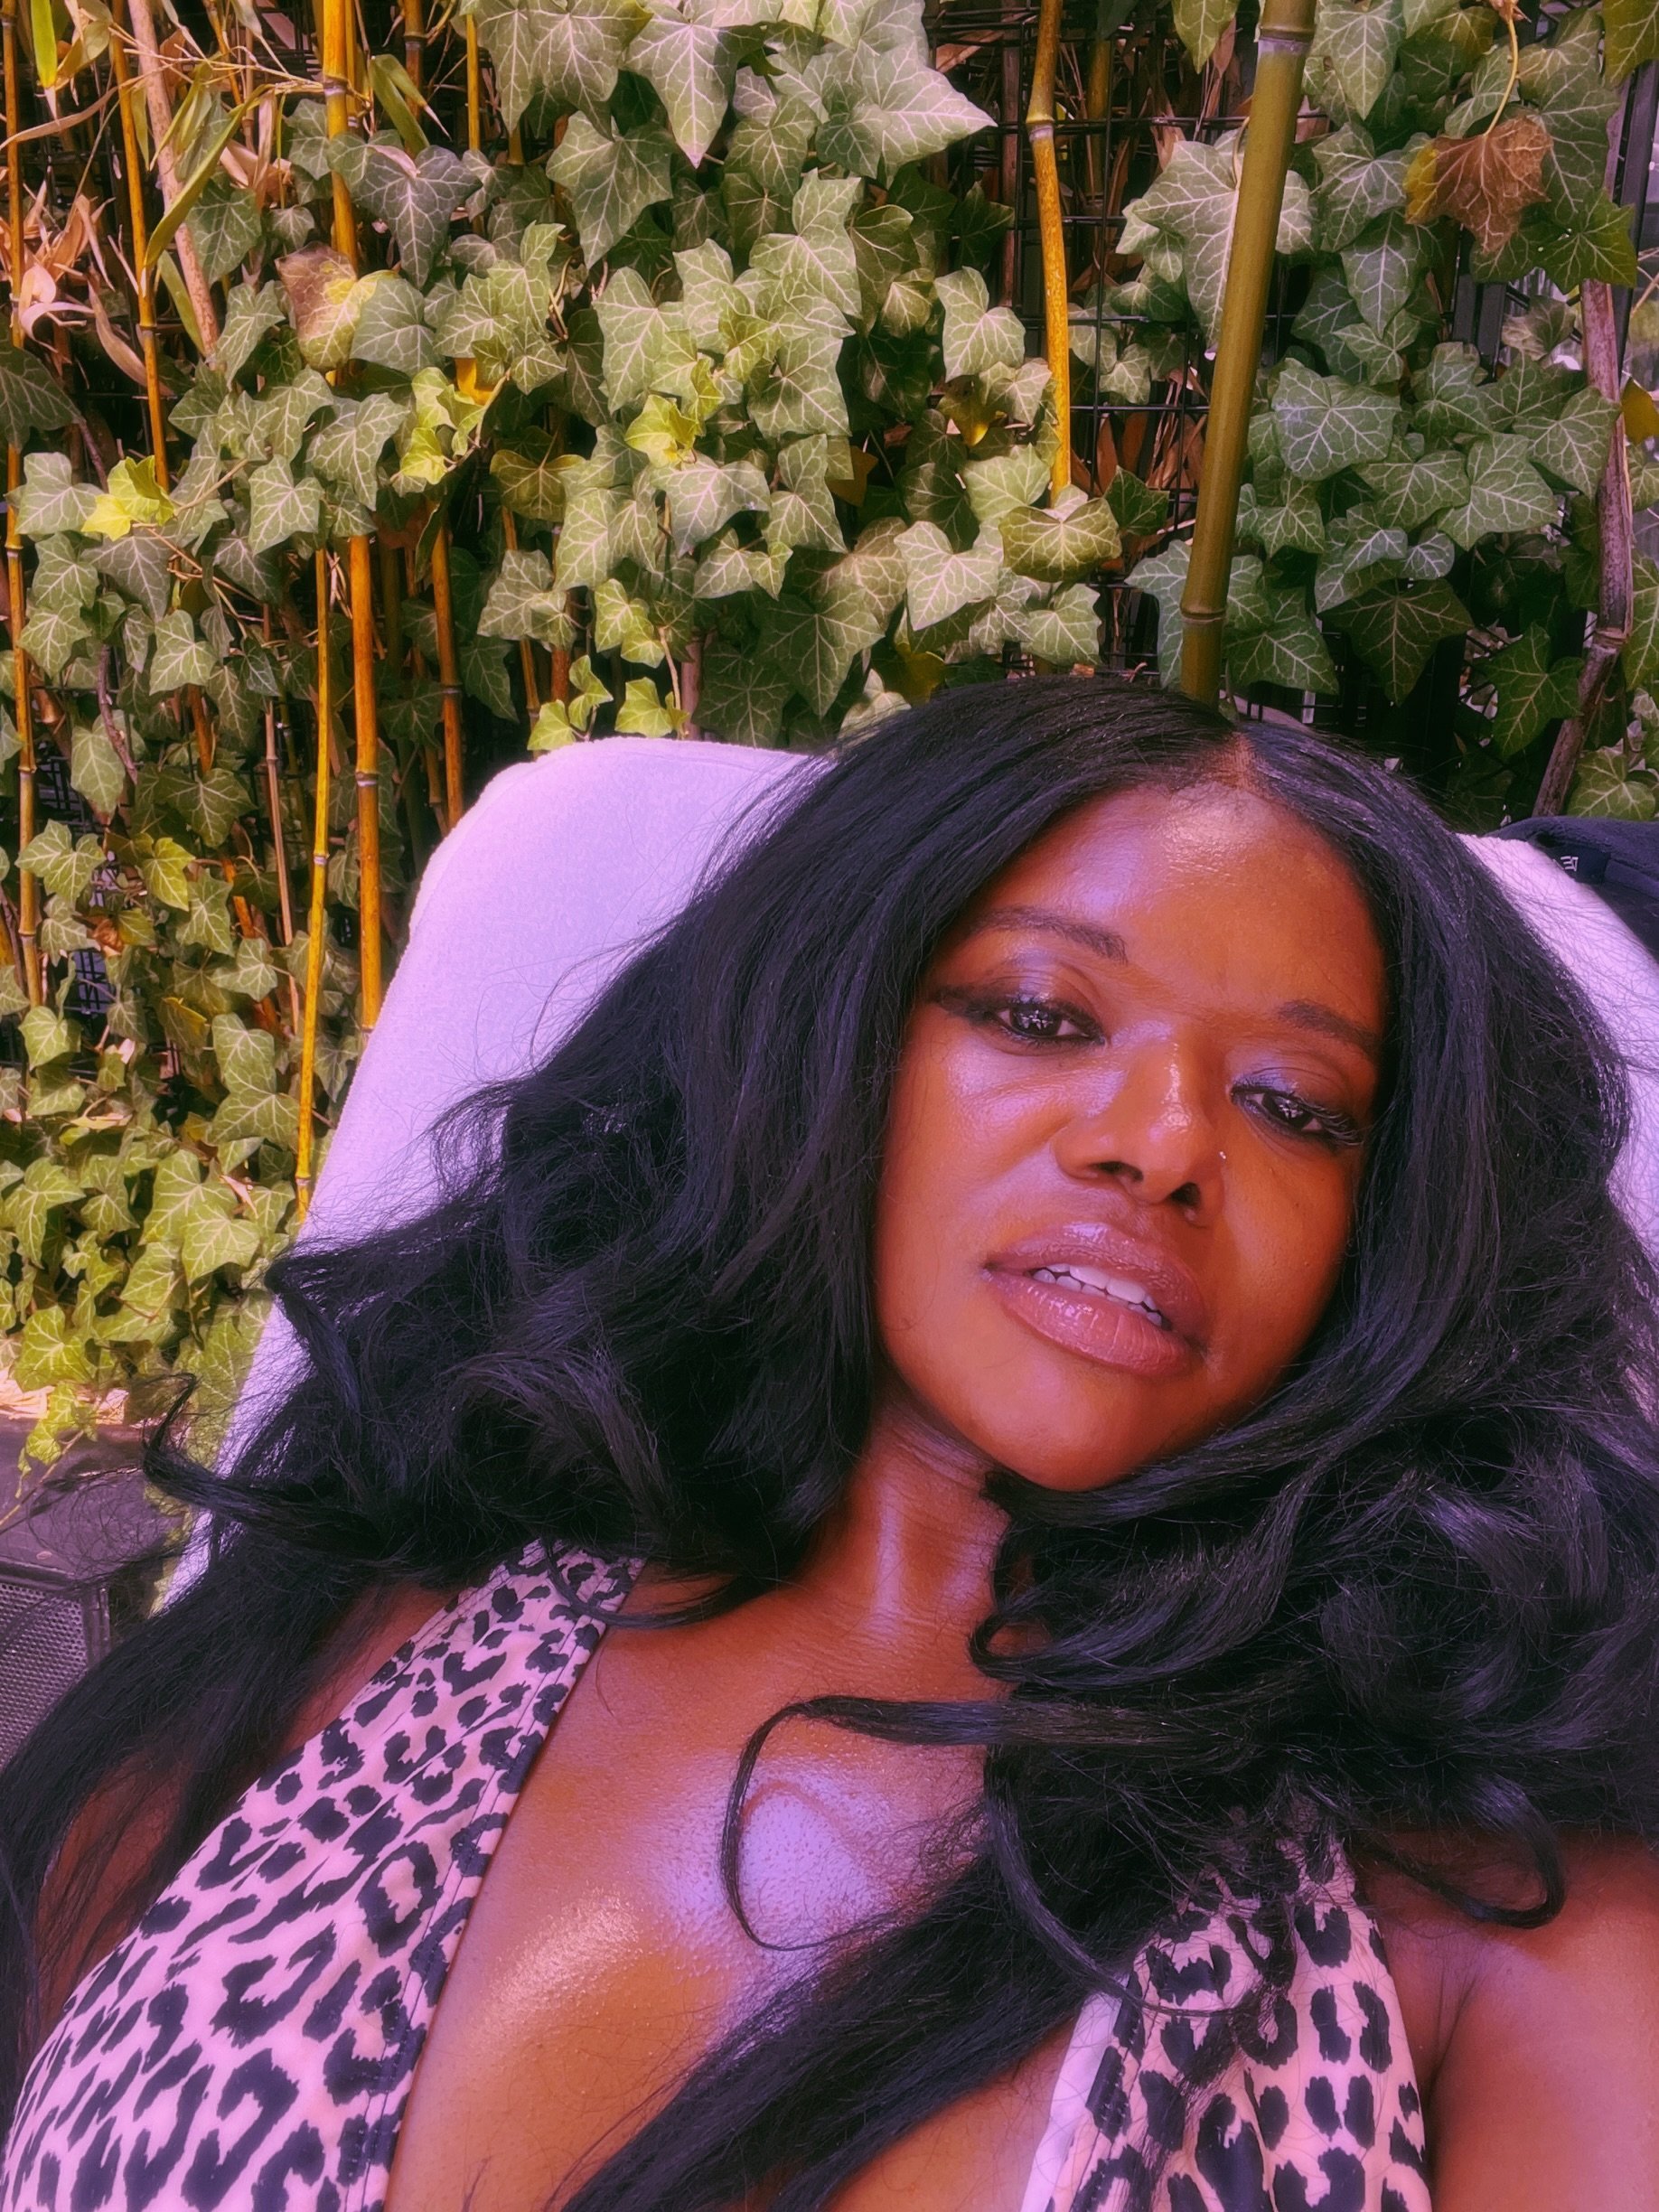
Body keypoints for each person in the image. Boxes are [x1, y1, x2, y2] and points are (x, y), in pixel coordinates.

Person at [4, 676, 1659, 2212]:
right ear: (829, 1032)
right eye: (1041, 1013)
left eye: (1295, 1106)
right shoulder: (366, 1627)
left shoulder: (1478, 1906)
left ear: (1391, 1230)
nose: (1163, 1145)